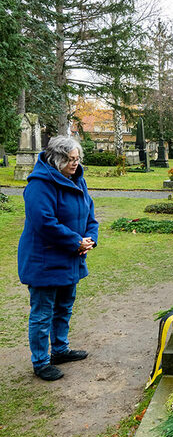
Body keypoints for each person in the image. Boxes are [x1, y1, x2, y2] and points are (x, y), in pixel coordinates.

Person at [18, 136, 99, 381]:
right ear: (56, 159)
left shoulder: (77, 180)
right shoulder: (39, 184)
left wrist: (90, 239)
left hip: (70, 257)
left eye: (77, 159)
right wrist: (76, 241)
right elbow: (45, 223)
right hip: (44, 259)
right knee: (43, 313)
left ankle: (60, 350)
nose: (75, 164)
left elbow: (90, 214)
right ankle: (41, 362)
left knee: (64, 307)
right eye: (70, 159)